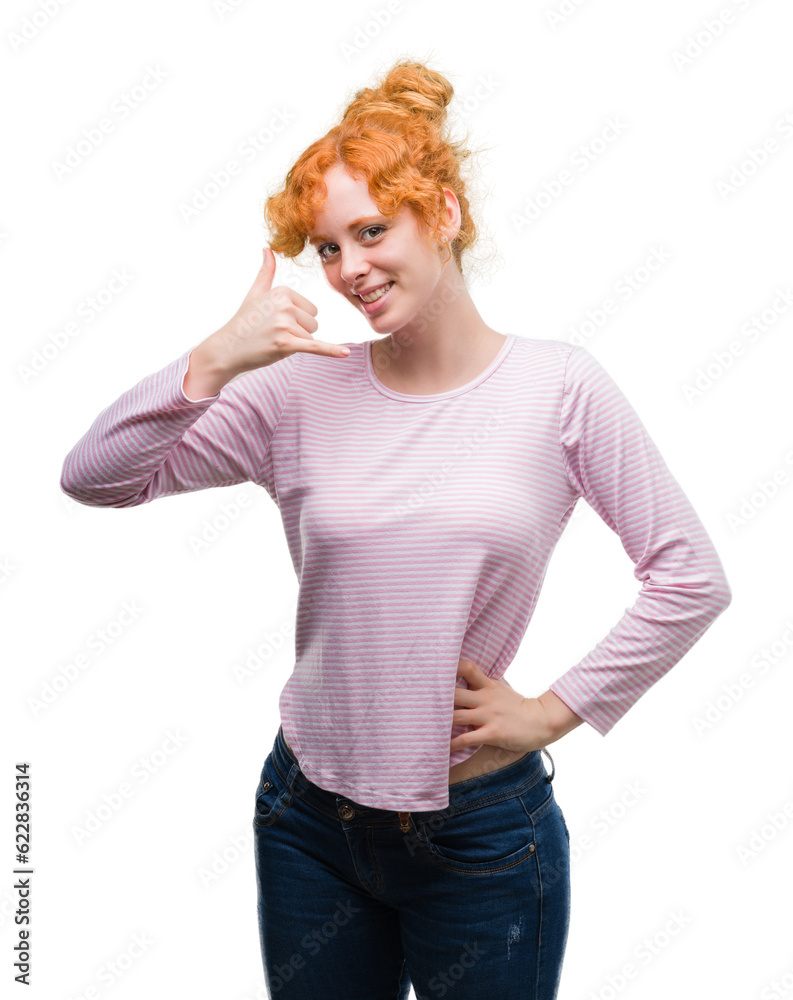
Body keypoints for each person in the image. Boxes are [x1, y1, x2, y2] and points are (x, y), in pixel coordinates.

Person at [60, 59, 732, 1000]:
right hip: (305, 823)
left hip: (480, 835)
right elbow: (94, 480)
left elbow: (689, 575)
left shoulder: (559, 388)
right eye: (328, 248)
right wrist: (215, 357)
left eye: (372, 231)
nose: (349, 270)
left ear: (445, 214)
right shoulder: (295, 391)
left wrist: (553, 711)